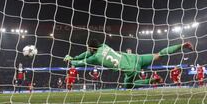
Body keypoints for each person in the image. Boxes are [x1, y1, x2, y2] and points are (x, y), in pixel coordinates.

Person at [64, 39, 193, 89]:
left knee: (128, 86)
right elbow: (87, 53)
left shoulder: (95, 58)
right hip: (136, 58)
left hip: (131, 69)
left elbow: (81, 61)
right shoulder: (103, 45)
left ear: (92, 49)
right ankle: (182, 45)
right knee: (159, 54)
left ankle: (152, 80)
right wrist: (75, 57)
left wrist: (71, 59)